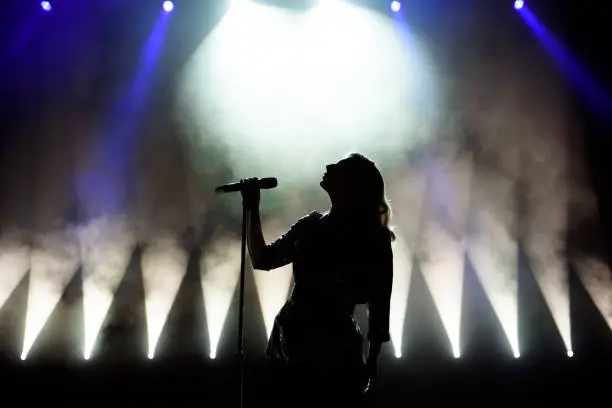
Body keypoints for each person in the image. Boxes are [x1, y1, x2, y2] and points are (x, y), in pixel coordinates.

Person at [242, 153, 394, 406]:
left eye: (340, 167)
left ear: (352, 184)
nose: (328, 166)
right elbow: (263, 259)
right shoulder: (310, 225)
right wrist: (252, 208)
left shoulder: (372, 238)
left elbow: (380, 305)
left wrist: (372, 362)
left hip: (334, 352)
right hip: (291, 346)